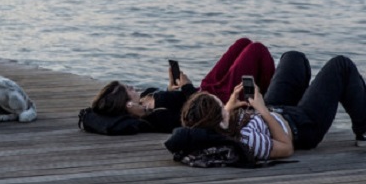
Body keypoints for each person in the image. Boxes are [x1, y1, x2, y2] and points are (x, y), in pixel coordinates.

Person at [167, 51, 366, 163]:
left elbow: (221, 120)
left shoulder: (218, 126)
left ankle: (313, 97)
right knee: (341, 65)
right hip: (302, 127)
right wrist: (262, 110)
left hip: (275, 111)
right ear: (218, 119)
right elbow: (286, 147)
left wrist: (232, 104)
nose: (224, 104)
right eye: (220, 105)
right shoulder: (247, 141)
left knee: (293, 58)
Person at [83, 38, 275, 134]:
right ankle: (265, 97)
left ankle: (260, 95)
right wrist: (187, 88)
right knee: (256, 50)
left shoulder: (146, 99)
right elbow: (191, 117)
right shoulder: (157, 117)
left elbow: (173, 98)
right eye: (129, 90)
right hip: (215, 101)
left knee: (243, 43)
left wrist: (170, 88)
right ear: (128, 105)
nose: (133, 87)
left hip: (205, 89)